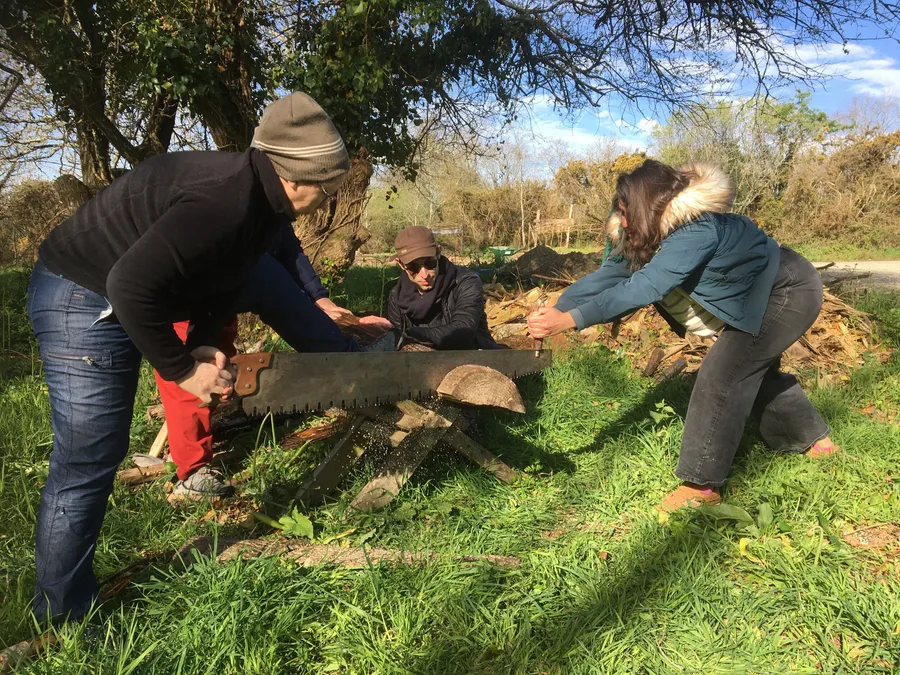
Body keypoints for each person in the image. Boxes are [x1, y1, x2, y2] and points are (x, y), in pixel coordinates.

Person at [26, 91, 350, 624]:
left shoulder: (263, 204)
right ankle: (60, 624)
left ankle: (63, 610)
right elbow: (128, 286)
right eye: (330, 185)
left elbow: (227, 275)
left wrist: (202, 340)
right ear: (297, 178)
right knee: (88, 460)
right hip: (79, 293)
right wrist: (181, 370)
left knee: (94, 457)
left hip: (126, 286)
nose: (332, 196)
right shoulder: (225, 201)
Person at [526, 160, 837, 511]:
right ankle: (814, 441)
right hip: (759, 293)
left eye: (628, 212)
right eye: (621, 213)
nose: (623, 220)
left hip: (787, 290)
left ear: (648, 206)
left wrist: (571, 320)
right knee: (749, 368)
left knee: (723, 375)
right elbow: (609, 276)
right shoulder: (635, 233)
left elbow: (647, 284)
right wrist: (559, 307)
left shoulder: (697, 227)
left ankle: (701, 487)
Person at [157, 221, 364, 499]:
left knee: (217, 368)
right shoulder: (224, 196)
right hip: (189, 283)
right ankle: (192, 473)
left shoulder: (275, 205)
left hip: (225, 282)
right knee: (191, 373)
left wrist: (319, 298)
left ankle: (357, 363)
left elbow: (288, 249)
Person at [368, 226, 499, 351]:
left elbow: (463, 331)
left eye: (429, 263)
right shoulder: (396, 296)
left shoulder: (466, 283)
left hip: (477, 362)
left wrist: (407, 335)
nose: (424, 274)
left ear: (438, 253)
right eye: (414, 267)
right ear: (401, 264)